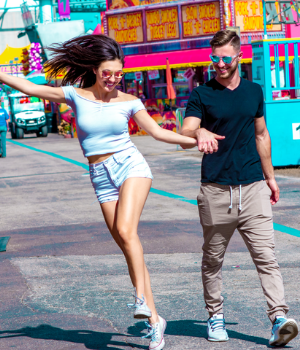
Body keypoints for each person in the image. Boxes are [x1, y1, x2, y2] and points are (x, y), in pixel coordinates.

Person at [0, 34, 197, 350]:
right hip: (100, 176)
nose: (114, 78)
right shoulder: (75, 95)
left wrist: (197, 139)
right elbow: (30, 87)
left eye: (119, 73)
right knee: (126, 243)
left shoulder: (129, 101)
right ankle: (156, 321)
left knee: (125, 230)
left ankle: (140, 299)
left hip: (130, 166)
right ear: (94, 69)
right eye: (108, 73)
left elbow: (159, 133)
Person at [181, 29, 298, 347]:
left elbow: (261, 134)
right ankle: (215, 316)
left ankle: (278, 319)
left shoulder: (254, 92)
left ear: (239, 56)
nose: (218, 63)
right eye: (214, 57)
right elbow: (187, 128)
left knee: (267, 257)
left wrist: (270, 177)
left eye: (224, 58)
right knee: (212, 259)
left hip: (253, 188)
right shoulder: (201, 95)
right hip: (216, 191)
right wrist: (200, 130)